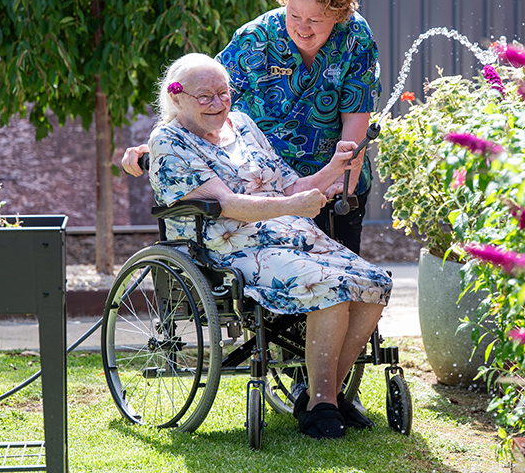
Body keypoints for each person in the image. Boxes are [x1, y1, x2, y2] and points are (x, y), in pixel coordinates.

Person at [148, 52, 392, 440]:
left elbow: (289, 185)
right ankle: (323, 404)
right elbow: (228, 204)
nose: (218, 103)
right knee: (333, 287)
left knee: (374, 283)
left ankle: (320, 397)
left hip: (292, 235)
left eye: (223, 93)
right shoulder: (169, 141)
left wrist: (335, 167)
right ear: (177, 98)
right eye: (205, 97)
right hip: (234, 248)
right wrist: (293, 206)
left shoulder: (242, 125)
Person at [124, 0, 380, 255]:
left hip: (332, 180)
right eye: (293, 15)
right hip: (264, 184)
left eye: (316, 20)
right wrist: (156, 146)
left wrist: (345, 175)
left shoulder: (355, 37)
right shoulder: (256, 38)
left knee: (343, 270)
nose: (302, 28)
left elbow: (356, 115)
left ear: (338, 15)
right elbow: (199, 96)